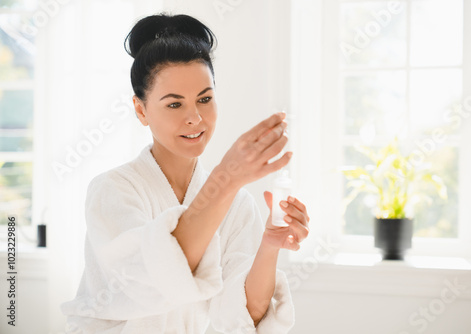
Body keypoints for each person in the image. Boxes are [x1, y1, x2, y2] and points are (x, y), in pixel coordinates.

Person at [60, 13, 310, 334]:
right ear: (141, 110)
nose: (195, 118)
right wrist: (226, 178)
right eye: (174, 105)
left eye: (204, 99)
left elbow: (240, 314)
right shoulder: (113, 190)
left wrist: (270, 245)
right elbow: (153, 280)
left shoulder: (236, 205)